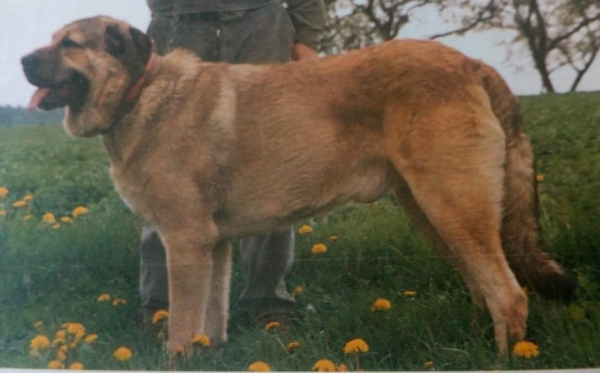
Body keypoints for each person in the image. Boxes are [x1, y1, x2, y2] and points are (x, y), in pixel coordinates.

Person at [140, 0, 327, 327]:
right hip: (176, 25)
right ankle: (161, 303)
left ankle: (267, 298)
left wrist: (307, 40)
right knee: (165, 167)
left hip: (260, 27)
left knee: (268, 162)